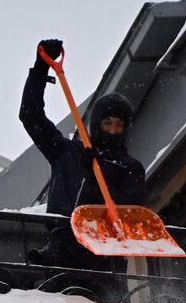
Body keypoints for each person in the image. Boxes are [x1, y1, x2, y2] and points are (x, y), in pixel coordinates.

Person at [19, 38, 148, 285]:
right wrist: (40, 70)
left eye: (119, 125)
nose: (112, 130)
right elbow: (30, 115)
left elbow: (127, 211)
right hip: (61, 245)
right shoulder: (67, 153)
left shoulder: (130, 168)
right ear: (97, 124)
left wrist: (94, 179)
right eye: (107, 123)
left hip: (104, 253)